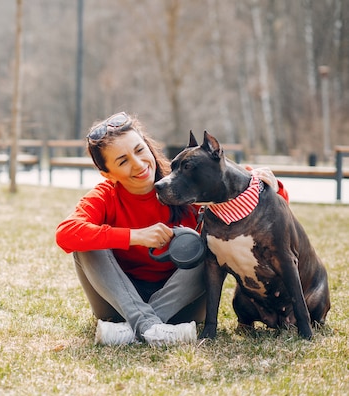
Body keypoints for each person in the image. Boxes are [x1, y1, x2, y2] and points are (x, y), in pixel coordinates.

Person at [55, 112, 288, 346]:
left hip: (183, 307)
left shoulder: (186, 181)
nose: (138, 164)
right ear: (107, 174)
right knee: (85, 243)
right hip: (119, 304)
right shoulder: (105, 195)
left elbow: (265, 199)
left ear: (148, 146)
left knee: (208, 247)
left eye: (139, 150)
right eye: (122, 161)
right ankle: (150, 328)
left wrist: (264, 182)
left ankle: (134, 331)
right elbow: (65, 233)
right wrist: (136, 237)